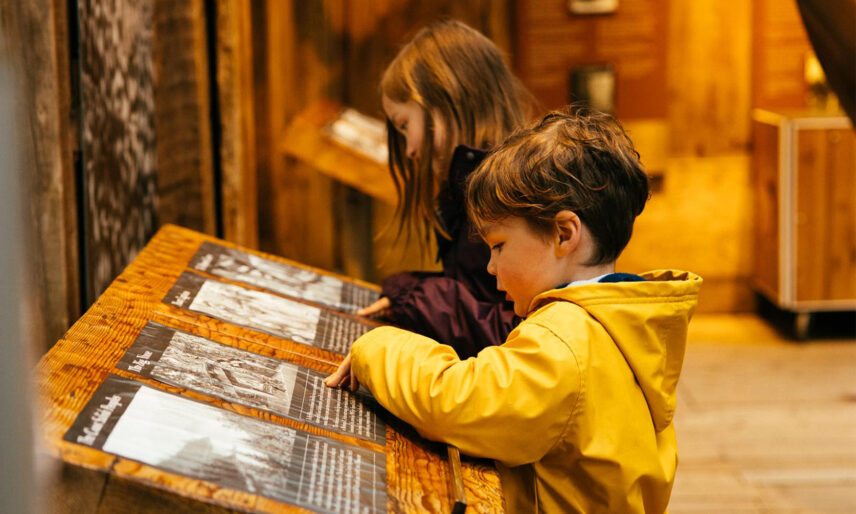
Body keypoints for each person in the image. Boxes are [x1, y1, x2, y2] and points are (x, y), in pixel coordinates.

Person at [326, 107, 702, 513]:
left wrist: (377, 347)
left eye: (499, 246)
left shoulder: (564, 343)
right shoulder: (622, 319)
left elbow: (456, 403)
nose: (490, 267)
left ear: (564, 233)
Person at [359, 19, 531, 358]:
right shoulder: (475, 185)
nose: (408, 149)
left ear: (446, 101)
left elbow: (519, 332)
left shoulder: (507, 197)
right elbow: (478, 292)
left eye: (405, 125)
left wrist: (413, 295)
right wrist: (412, 289)